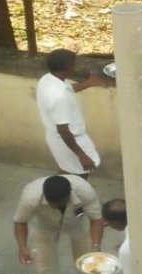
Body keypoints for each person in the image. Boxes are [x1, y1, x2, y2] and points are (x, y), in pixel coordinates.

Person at [13, 175, 111, 274]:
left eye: (59, 203)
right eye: (51, 203)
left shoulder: (85, 191)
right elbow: (20, 222)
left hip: (76, 221)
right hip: (43, 225)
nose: (54, 206)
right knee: (45, 262)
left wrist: (96, 245)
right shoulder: (30, 197)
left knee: (88, 256)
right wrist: (22, 247)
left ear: (69, 196)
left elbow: (96, 219)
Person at [36, 49, 107, 179]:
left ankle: (52, 188)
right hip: (69, 139)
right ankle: (61, 190)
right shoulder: (60, 97)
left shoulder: (48, 79)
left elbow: (68, 89)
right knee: (78, 175)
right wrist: (81, 154)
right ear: (68, 67)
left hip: (58, 137)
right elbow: (63, 130)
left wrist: (88, 83)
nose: (78, 65)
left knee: (69, 170)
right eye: (75, 63)